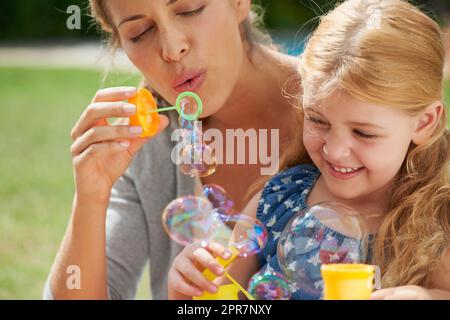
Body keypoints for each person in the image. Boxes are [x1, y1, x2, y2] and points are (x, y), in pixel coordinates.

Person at [168, 0, 450, 300]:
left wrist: (427, 296)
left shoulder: (437, 220)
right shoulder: (278, 201)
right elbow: (221, 300)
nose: (335, 150)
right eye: (318, 120)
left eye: (363, 133)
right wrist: (187, 291)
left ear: (423, 123)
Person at [43, 0, 301, 300]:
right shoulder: (147, 141)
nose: (171, 47)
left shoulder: (346, 113)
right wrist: (90, 199)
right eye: (140, 32)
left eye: (189, 9)